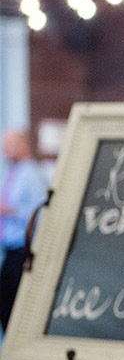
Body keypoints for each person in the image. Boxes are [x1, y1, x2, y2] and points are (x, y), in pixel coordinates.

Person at [1, 129, 48, 338]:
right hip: (9, 250)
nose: (5, 150)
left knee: (16, 309)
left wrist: (9, 210)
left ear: (23, 145)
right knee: (6, 306)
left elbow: (40, 212)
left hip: (23, 252)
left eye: (9, 144)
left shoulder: (32, 174)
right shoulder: (13, 173)